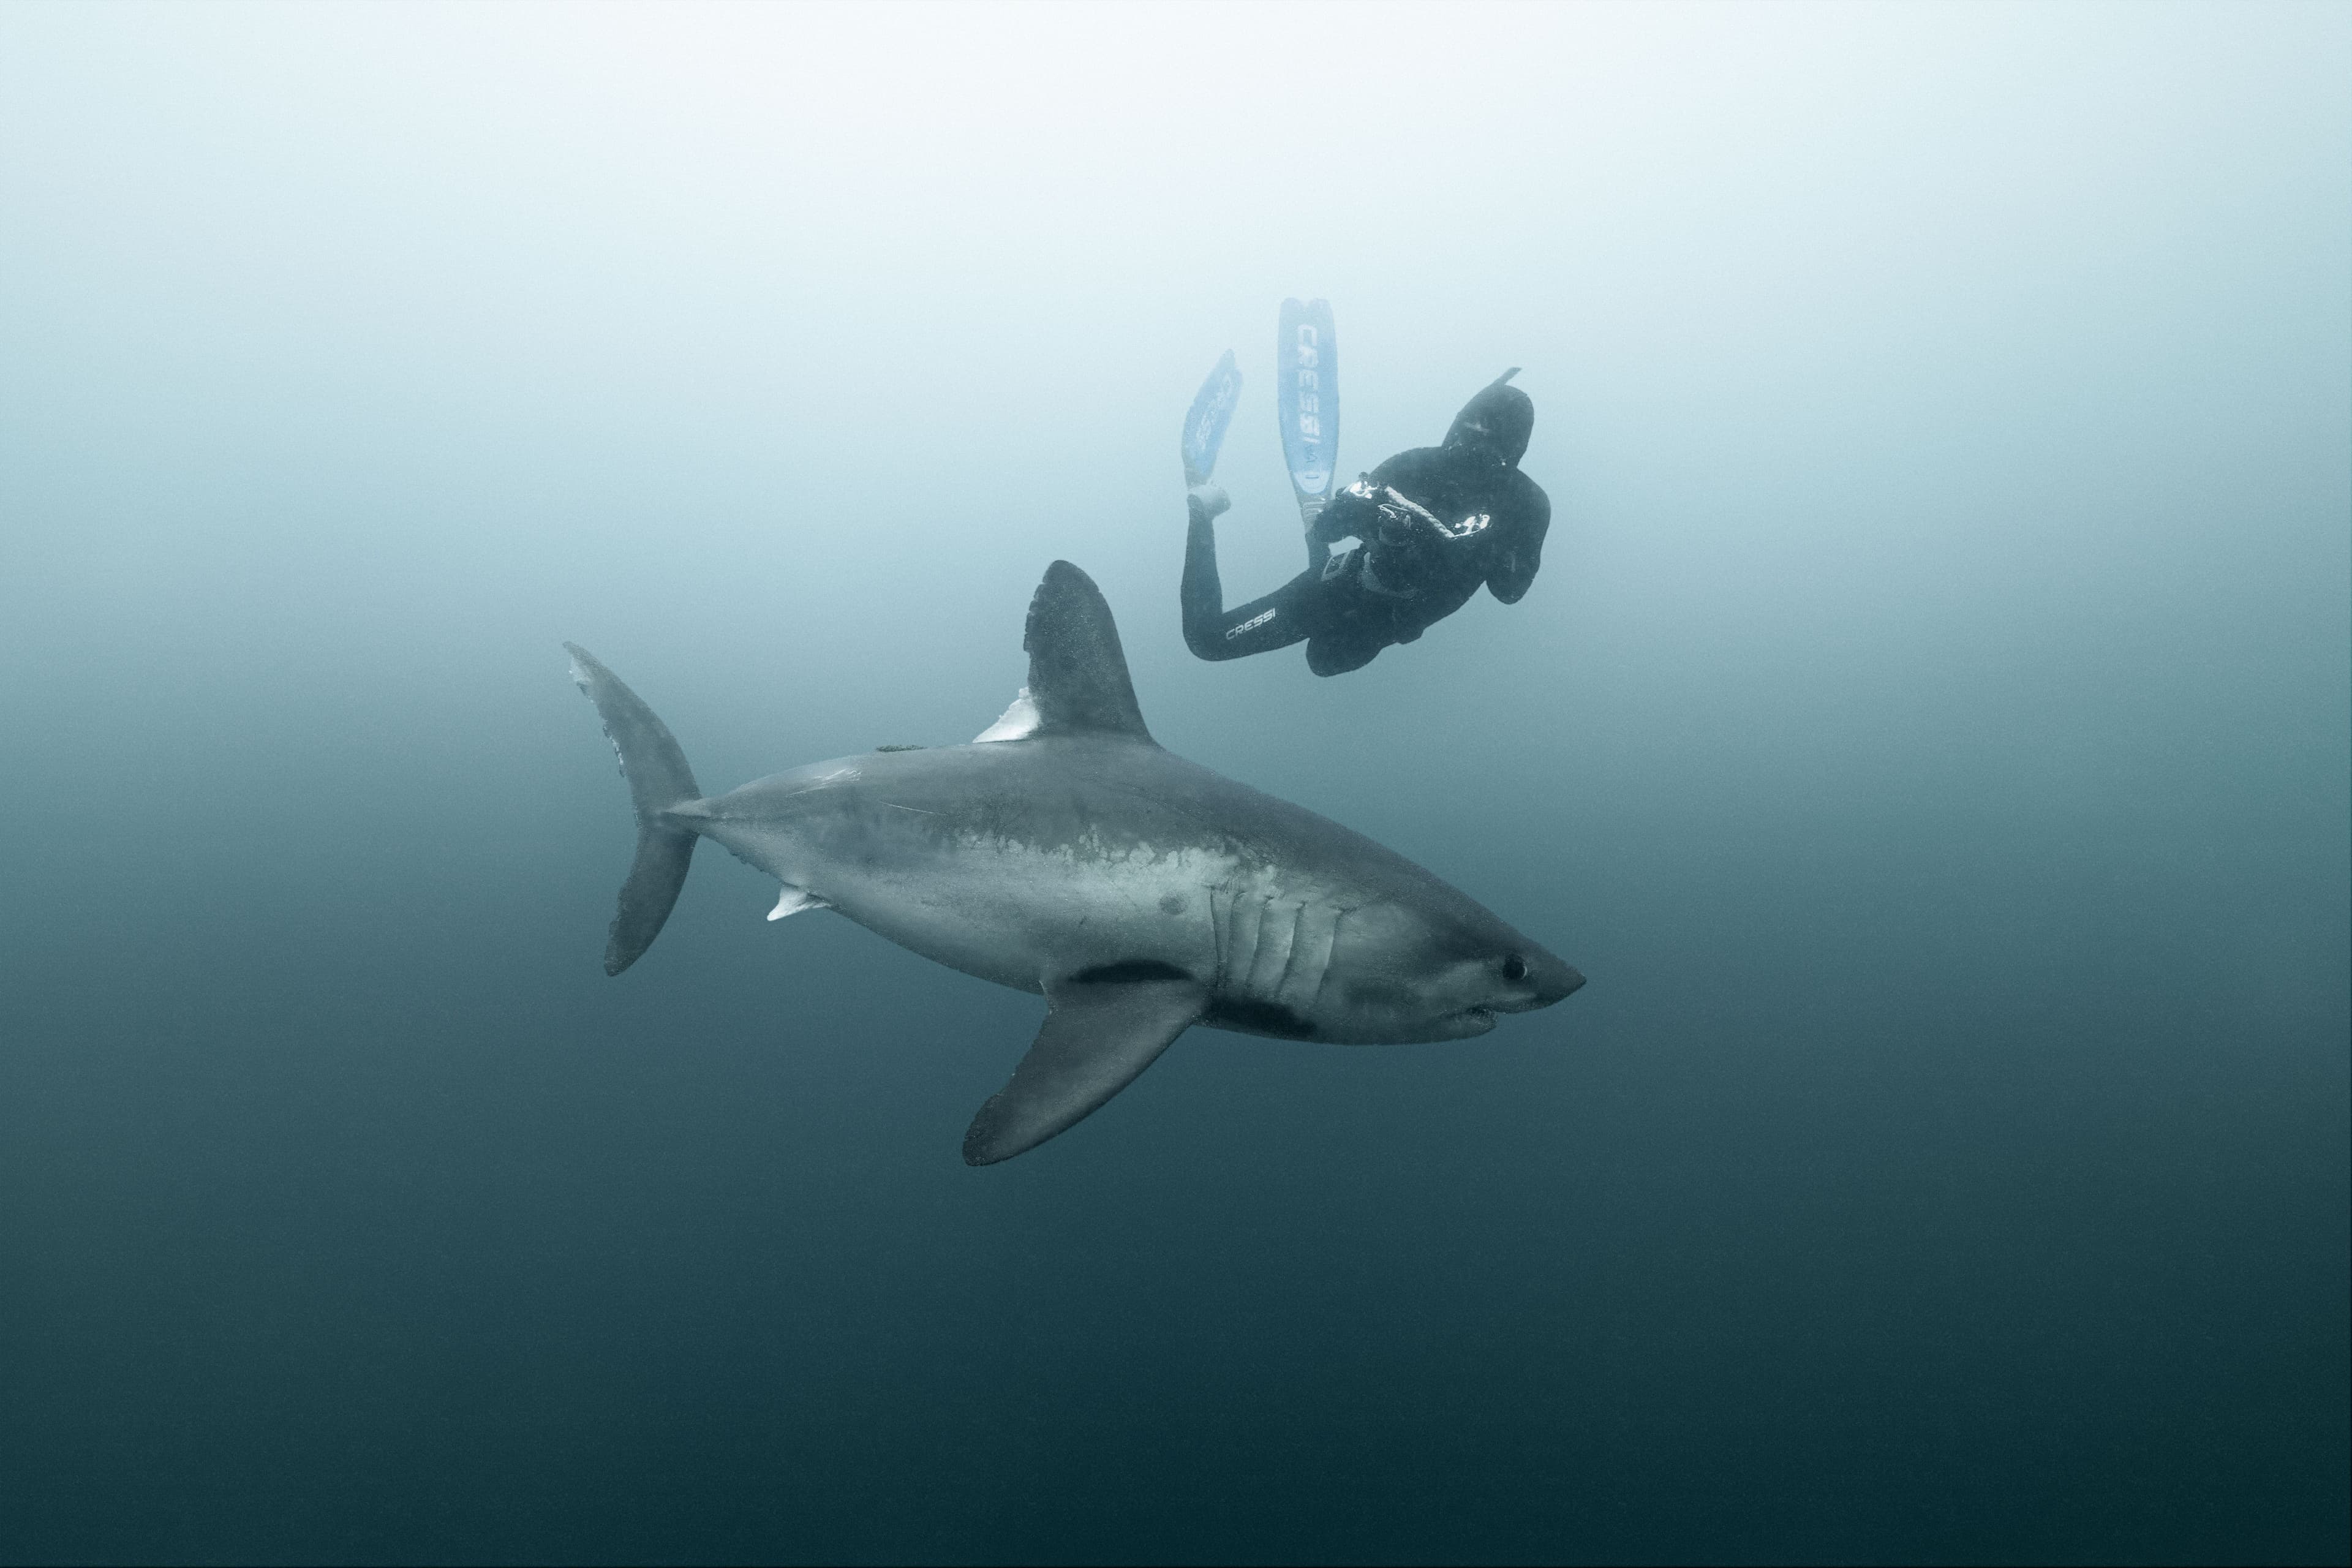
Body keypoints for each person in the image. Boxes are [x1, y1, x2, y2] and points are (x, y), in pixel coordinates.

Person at [1179, 354, 1552, 676]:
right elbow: (1330, 528)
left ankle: (1315, 552)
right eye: (1470, 426)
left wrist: (1490, 545)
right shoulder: (1416, 465)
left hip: (1388, 622)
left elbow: (1511, 591)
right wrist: (1355, 507)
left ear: (1514, 444)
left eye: (1488, 434)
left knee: (1323, 662)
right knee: (1208, 641)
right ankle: (1202, 509)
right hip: (1343, 585)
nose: (1472, 442)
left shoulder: (1525, 504)